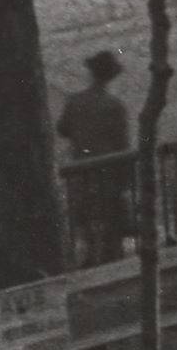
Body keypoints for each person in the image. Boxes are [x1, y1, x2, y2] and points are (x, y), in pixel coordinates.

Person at [57, 48, 133, 264]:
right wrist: (126, 179)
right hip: (108, 170)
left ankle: (90, 257)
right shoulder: (115, 106)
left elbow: (62, 129)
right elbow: (122, 144)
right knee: (110, 218)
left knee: (84, 217)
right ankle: (111, 259)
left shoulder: (75, 101)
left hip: (80, 170)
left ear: (91, 73)